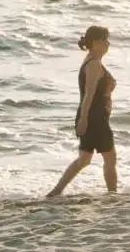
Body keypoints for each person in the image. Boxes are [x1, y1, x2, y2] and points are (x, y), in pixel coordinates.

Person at [46, 25, 117, 197]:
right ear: (95, 43)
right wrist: (84, 119)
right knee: (110, 158)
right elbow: (89, 94)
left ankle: (55, 192)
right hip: (95, 118)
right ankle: (112, 194)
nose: (108, 44)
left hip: (93, 116)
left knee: (84, 159)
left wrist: (83, 117)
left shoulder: (92, 61)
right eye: (105, 40)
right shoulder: (93, 65)